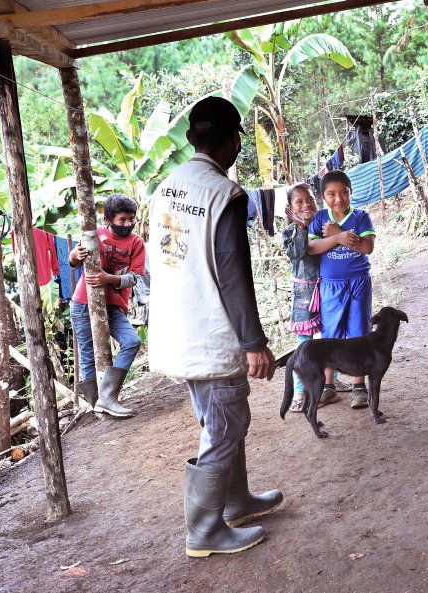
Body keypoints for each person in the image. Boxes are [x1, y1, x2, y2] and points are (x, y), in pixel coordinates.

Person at [147, 96, 283, 558]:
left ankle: (236, 500)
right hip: (211, 331)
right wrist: (254, 343)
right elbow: (232, 273)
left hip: (177, 329)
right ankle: (204, 531)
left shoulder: (165, 186)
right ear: (233, 142)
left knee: (221, 420)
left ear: (189, 139)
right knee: (225, 425)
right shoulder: (223, 193)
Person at [68, 193, 145, 418]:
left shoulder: (136, 243)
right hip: (83, 302)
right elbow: (74, 262)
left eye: (131, 219)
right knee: (88, 352)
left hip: (114, 305)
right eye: (122, 220)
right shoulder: (95, 235)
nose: (128, 224)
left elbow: (133, 277)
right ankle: (96, 406)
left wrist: (108, 279)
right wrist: (74, 255)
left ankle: (108, 398)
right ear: (108, 220)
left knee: (132, 341)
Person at [306, 170, 375, 410]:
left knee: (359, 332)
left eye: (344, 192)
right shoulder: (319, 218)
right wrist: (338, 238)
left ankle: (359, 387)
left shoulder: (361, 217)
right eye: (331, 194)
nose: (338, 199)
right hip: (330, 286)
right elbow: (312, 247)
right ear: (323, 196)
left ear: (350, 192)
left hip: (358, 282)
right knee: (330, 336)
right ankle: (328, 387)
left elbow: (367, 247)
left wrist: (339, 234)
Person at [282, 182, 321, 413]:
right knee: (304, 344)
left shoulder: (322, 223)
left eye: (310, 199)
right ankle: (299, 390)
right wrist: (300, 226)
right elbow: (298, 252)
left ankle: (328, 383)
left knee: (328, 338)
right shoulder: (289, 232)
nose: (307, 204)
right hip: (304, 293)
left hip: (326, 288)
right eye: (299, 201)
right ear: (290, 208)